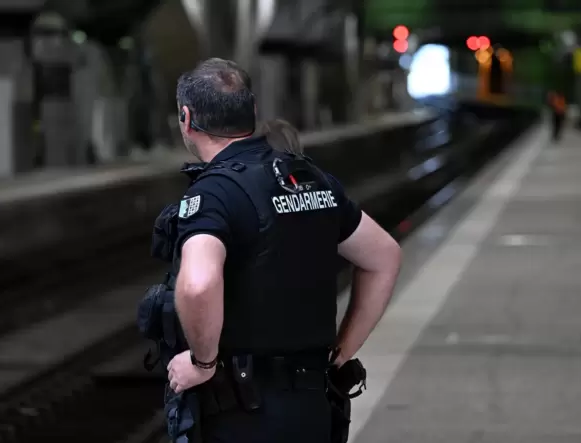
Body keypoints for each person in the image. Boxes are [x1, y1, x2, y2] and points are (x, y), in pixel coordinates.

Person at [163, 57, 402, 443]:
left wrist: (202, 362)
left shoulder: (214, 194)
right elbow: (384, 256)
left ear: (187, 119)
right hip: (314, 406)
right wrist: (341, 352)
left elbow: (198, 284)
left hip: (244, 411)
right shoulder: (310, 178)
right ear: (253, 112)